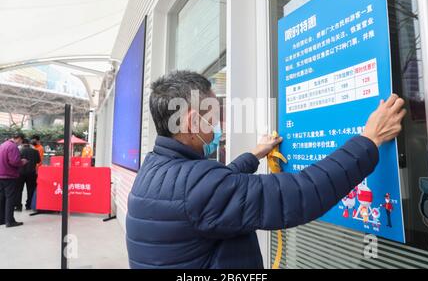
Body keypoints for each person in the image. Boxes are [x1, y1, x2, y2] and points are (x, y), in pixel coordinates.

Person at [126, 71, 407, 269]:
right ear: (190, 123)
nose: (218, 123)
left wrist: (255, 154)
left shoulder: (154, 170)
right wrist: (369, 140)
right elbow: (300, 194)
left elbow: (214, 191)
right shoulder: (197, 185)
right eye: (213, 115)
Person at [0, 133, 27, 228]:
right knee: (10, 199)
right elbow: (14, 161)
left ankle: (2, 219)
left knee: (2, 198)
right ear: (19, 138)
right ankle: (10, 221)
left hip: (1, 175)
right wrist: (22, 162)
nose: (20, 143)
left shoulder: (3, 145)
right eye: (21, 141)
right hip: (9, 176)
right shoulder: (13, 147)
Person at [15, 139, 41, 211]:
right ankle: (29, 205)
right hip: (32, 173)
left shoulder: (18, 151)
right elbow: (38, 161)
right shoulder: (35, 151)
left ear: (22, 144)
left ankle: (18, 206)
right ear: (29, 144)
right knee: (31, 190)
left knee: (19, 190)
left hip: (20, 173)